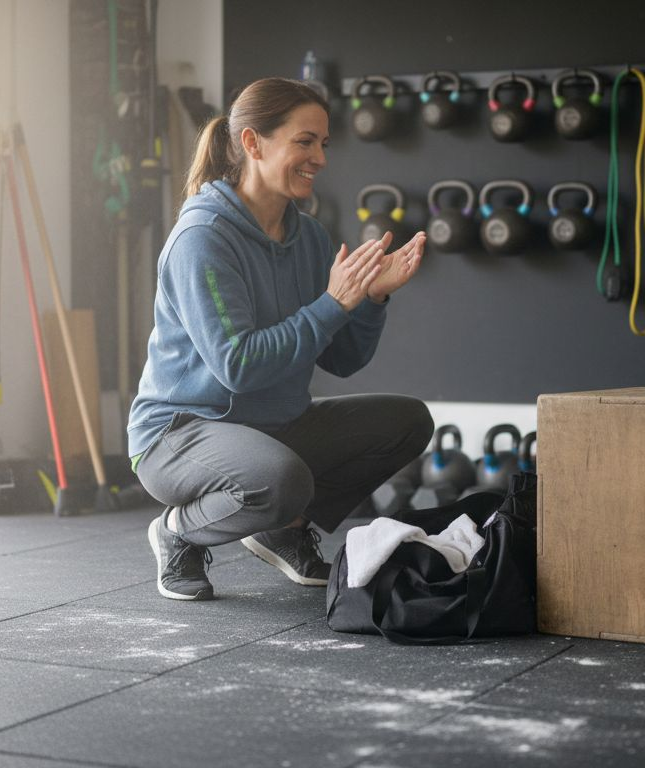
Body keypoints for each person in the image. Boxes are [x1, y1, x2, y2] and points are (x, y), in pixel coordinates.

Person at [128, 77, 433, 601]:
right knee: (280, 479)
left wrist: (370, 300)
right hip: (179, 434)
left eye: (323, 143)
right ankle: (177, 531)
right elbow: (238, 366)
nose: (319, 157)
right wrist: (333, 303)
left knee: (407, 422)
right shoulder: (203, 238)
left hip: (271, 428)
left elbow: (343, 359)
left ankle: (282, 526)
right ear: (253, 143)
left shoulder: (308, 237)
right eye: (304, 141)